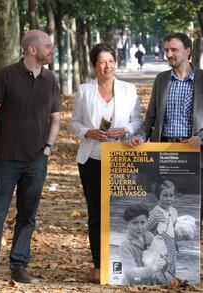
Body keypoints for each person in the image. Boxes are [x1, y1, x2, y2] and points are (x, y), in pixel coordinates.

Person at [0, 30, 61, 287]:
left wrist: (48, 147)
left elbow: (55, 117)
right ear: (32, 49)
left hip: (36, 161)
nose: (51, 49)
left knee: (28, 215)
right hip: (6, 159)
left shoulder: (50, 79)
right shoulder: (5, 76)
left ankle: (19, 266)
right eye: (47, 46)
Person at [127, 32, 203, 235]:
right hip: (164, 149)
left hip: (193, 152)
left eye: (174, 50)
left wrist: (202, 137)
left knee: (193, 203)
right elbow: (151, 117)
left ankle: (189, 250)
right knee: (160, 198)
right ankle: (157, 242)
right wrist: (141, 136)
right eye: (167, 50)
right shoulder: (161, 80)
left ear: (188, 51)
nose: (169, 54)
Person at [70, 43, 143, 283]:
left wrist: (126, 129)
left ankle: (122, 262)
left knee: (120, 211)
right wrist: (88, 132)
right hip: (91, 159)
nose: (107, 66)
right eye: (102, 62)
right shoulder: (84, 91)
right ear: (94, 65)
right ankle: (100, 264)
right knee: (96, 213)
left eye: (111, 61)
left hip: (121, 157)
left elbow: (138, 121)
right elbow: (75, 124)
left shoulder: (129, 90)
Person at [119, 203, 167, 284]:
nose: (139, 227)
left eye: (142, 222)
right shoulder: (125, 245)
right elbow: (130, 275)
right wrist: (151, 270)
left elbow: (161, 256)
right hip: (134, 283)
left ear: (147, 221)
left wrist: (164, 262)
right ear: (127, 223)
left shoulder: (150, 237)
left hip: (151, 282)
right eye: (135, 223)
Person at [147, 179, 178, 284]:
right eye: (165, 195)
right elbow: (145, 229)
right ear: (158, 196)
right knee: (161, 275)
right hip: (159, 251)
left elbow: (172, 229)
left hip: (171, 250)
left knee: (171, 271)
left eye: (171, 195)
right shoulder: (156, 213)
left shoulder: (174, 211)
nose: (169, 199)